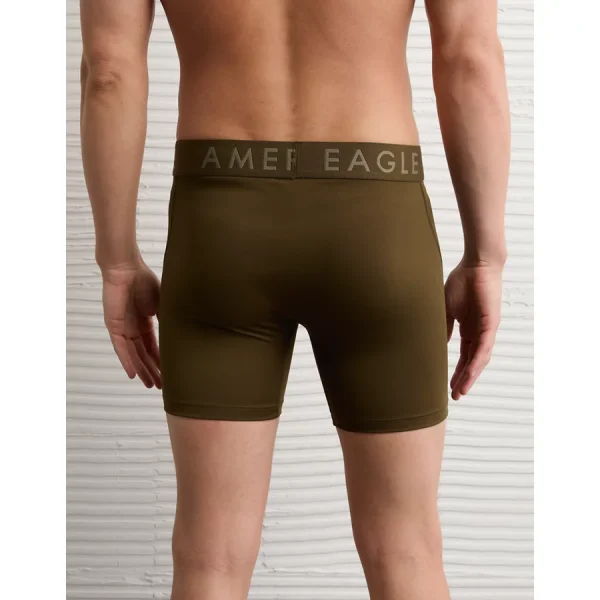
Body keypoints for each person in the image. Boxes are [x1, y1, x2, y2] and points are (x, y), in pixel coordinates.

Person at [79, 0, 509, 598]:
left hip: (219, 220)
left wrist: (118, 259)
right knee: (406, 548)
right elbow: (470, 59)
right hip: (377, 221)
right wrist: (485, 256)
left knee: (209, 558)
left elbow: (109, 71)